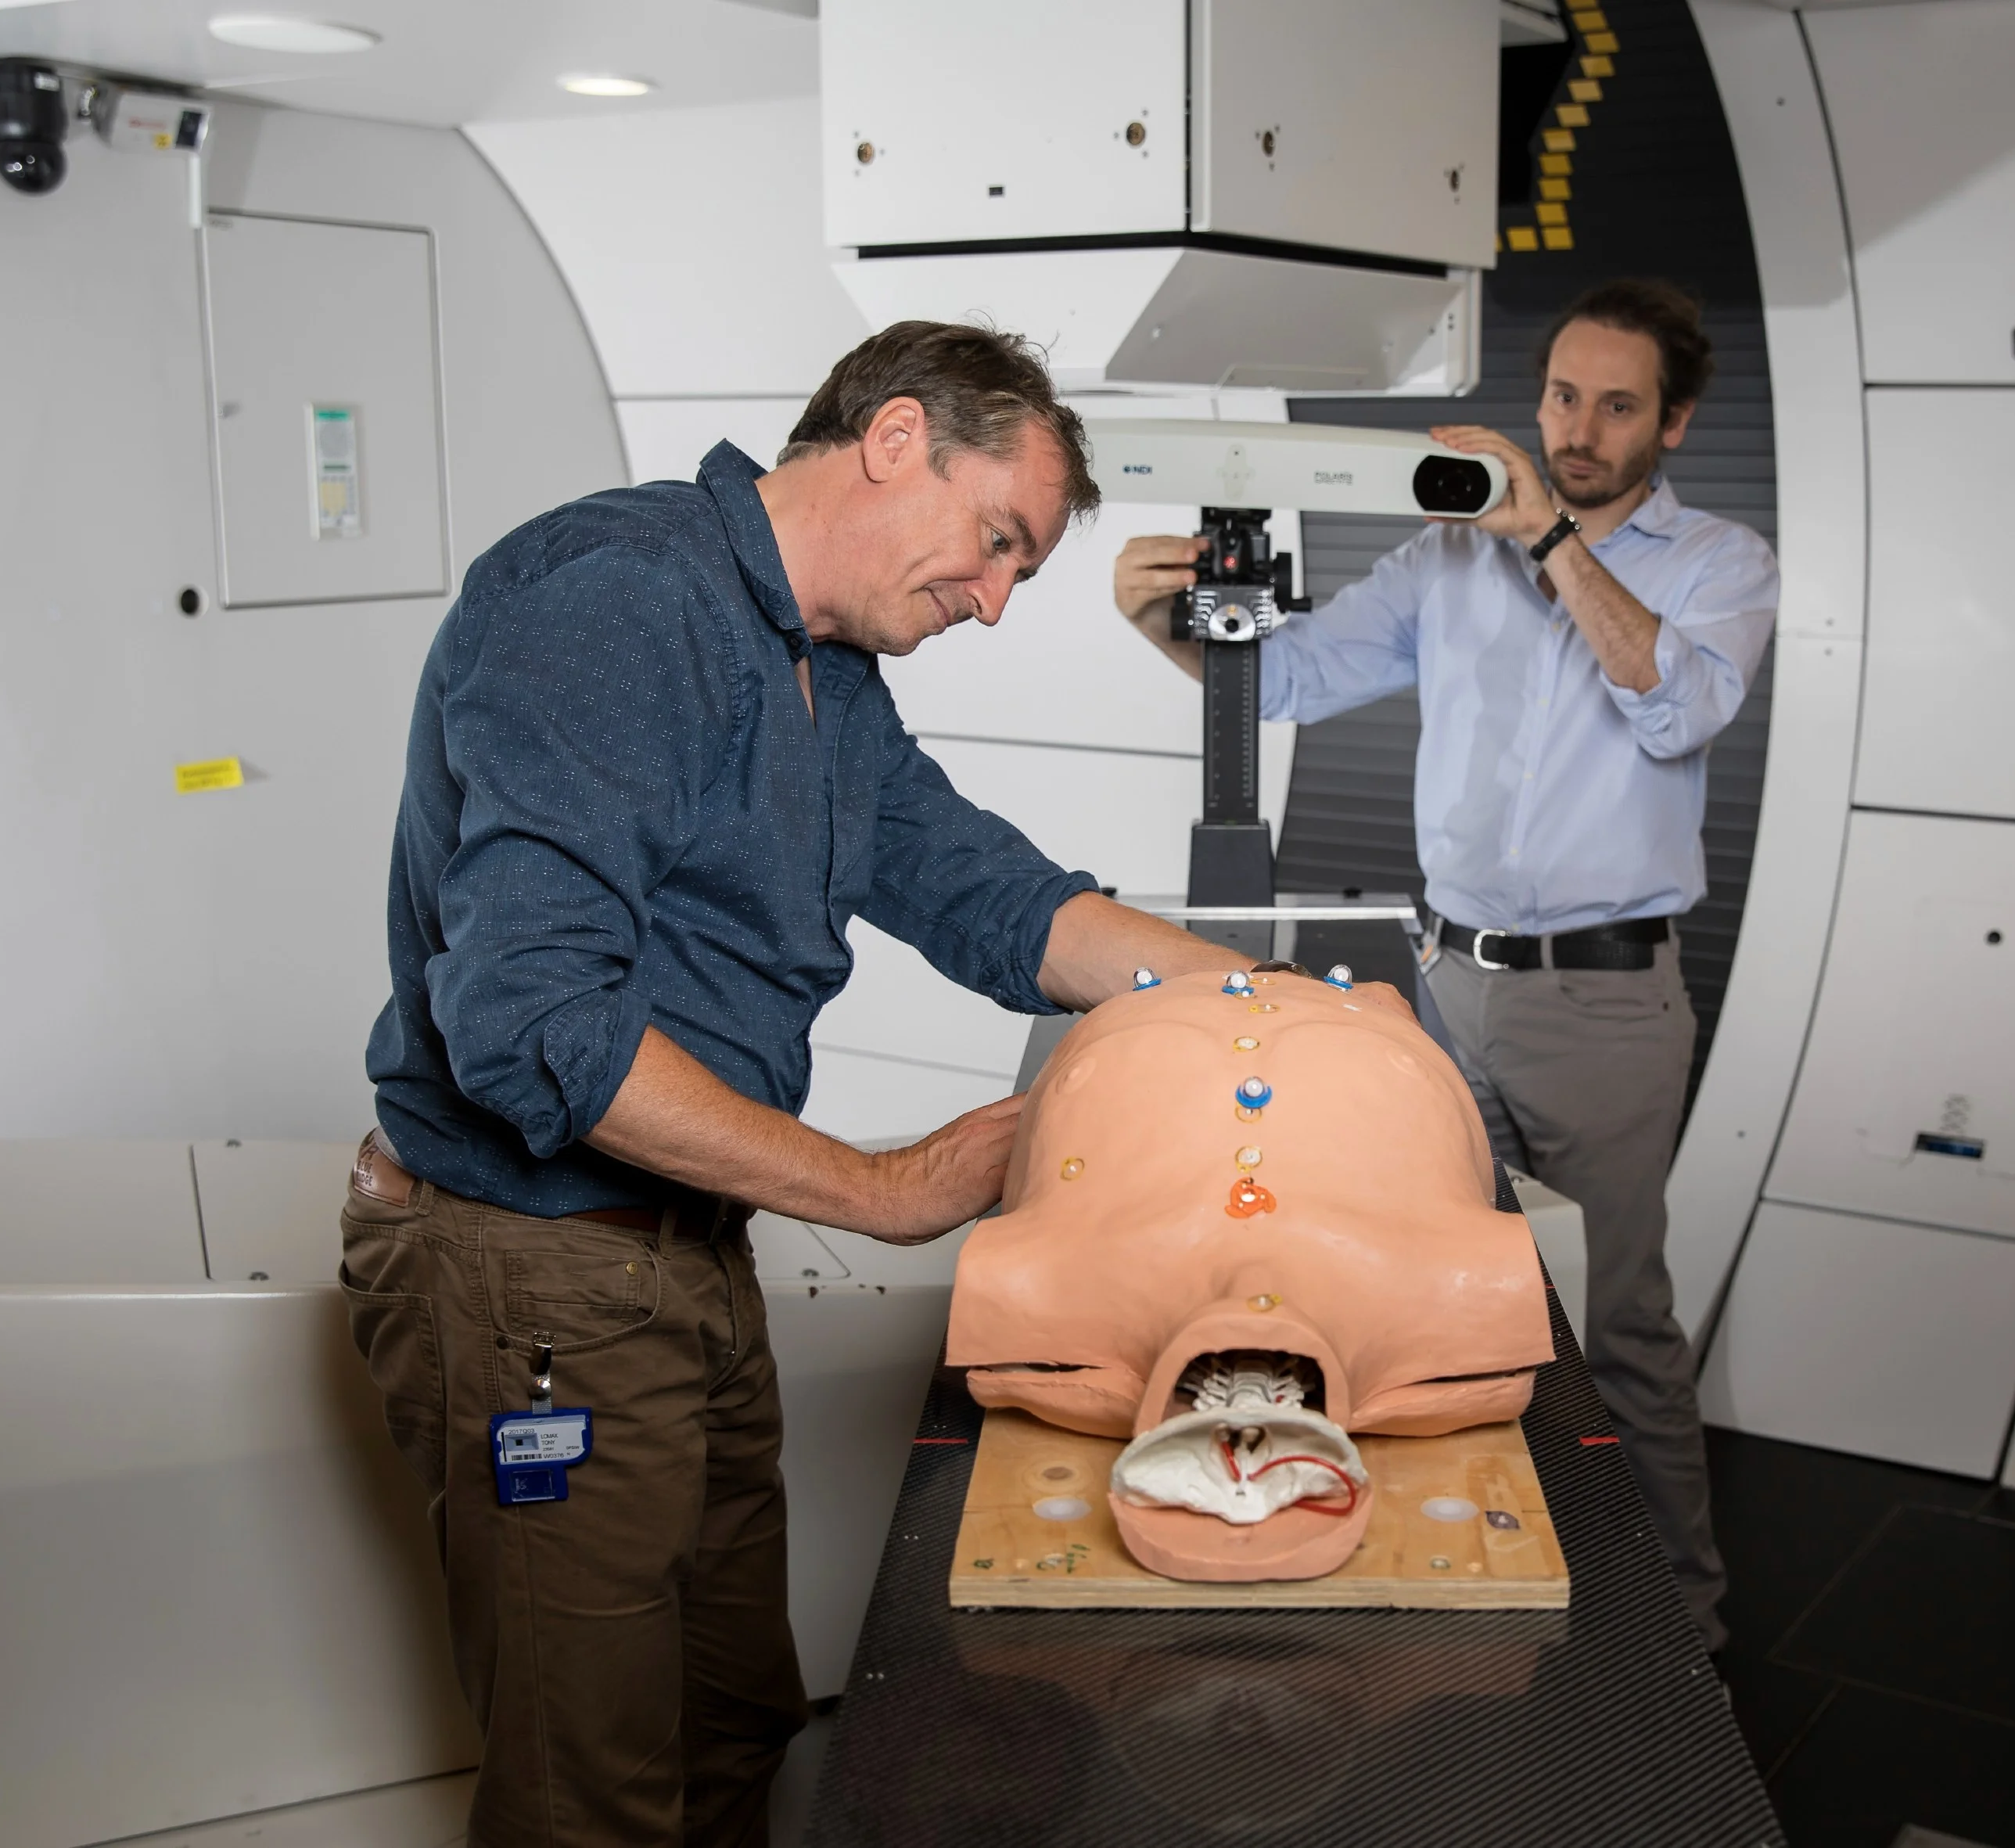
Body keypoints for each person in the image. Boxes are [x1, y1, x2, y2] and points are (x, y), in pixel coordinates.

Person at [341, 321, 1281, 1847]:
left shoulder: (818, 667)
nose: (987, 603)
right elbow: (526, 1017)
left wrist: (1267, 1010)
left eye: (1017, 576)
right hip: (536, 1272)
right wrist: (879, 1187)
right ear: (897, 437)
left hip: (682, 1243)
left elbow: (990, 893)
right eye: (994, 545)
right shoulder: (622, 604)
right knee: (593, 1785)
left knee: (728, 1719)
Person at [1111, 279, 1777, 1648]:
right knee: (1439, 1302)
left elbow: (1673, 708)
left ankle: (1683, 1627)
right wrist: (1166, 624)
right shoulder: (1443, 563)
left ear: (1674, 421)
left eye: (1614, 404)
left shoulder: (1719, 563)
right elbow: (1283, 679)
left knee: (1618, 1321)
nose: (1575, 428)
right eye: (1559, 396)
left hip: (1600, 1001)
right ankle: (1478, 1588)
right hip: (1443, 987)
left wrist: (1543, 539)